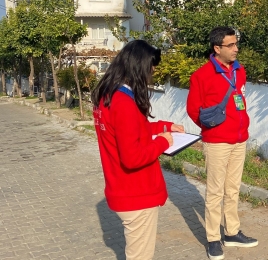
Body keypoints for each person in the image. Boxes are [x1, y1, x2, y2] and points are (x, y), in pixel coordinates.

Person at [91, 40, 185, 260]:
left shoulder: (107, 96)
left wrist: (165, 127)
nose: (151, 75)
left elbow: (132, 129)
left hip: (121, 188)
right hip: (136, 192)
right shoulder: (124, 102)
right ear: (138, 67)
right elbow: (132, 157)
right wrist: (162, 142)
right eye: (150, 70)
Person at [186, 26, 257, 260]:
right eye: (231, 45)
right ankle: (213, 238)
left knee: (233, 188)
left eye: (237, 44)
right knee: (215, 191)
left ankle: (232, 232)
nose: (236, 49)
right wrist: (211, 128)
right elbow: (193, 110)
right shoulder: (201, 76)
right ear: (217, 48)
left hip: (239, 139)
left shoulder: (240, 70)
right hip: (217, 142)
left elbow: (241, 101)